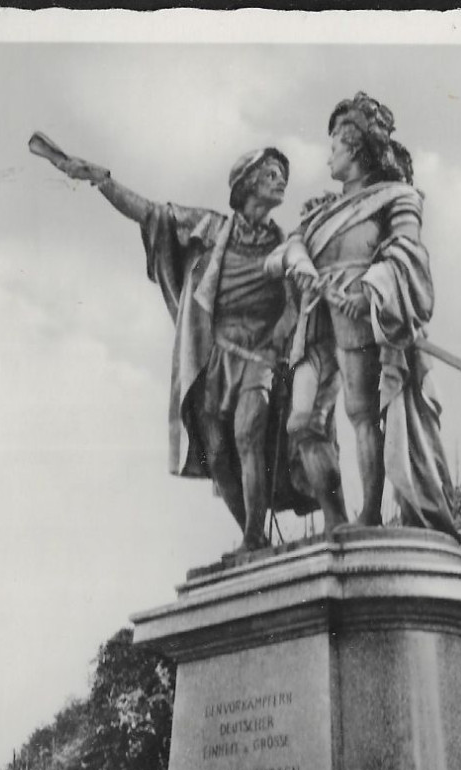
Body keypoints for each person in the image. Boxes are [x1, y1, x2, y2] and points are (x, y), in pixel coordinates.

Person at [29, 133, 306, 551]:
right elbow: (150, 213)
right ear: (248, 183)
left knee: (251, 429)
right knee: (217, 449)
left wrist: (281, 336)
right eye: (271, 173)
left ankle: (252, 535)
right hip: (216, 356)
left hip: (261, 355)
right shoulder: (211, 227)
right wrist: (102, 180)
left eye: (282, 175)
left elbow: (296, 300)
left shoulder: (287, 245)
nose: (280, 181)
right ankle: (255, 539)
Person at [264, 92, 460, 540]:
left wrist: (371, 290)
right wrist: (303, 265)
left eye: (333, 146)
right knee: (303, 422)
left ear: (352, 148)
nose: (328, 156)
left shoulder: (399, 197)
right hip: (316, 318)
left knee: (361, 413)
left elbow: (407, 252)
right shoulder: (320, 212)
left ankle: (368, 516)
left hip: (361, 315)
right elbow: (282, 252)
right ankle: (336, 517)